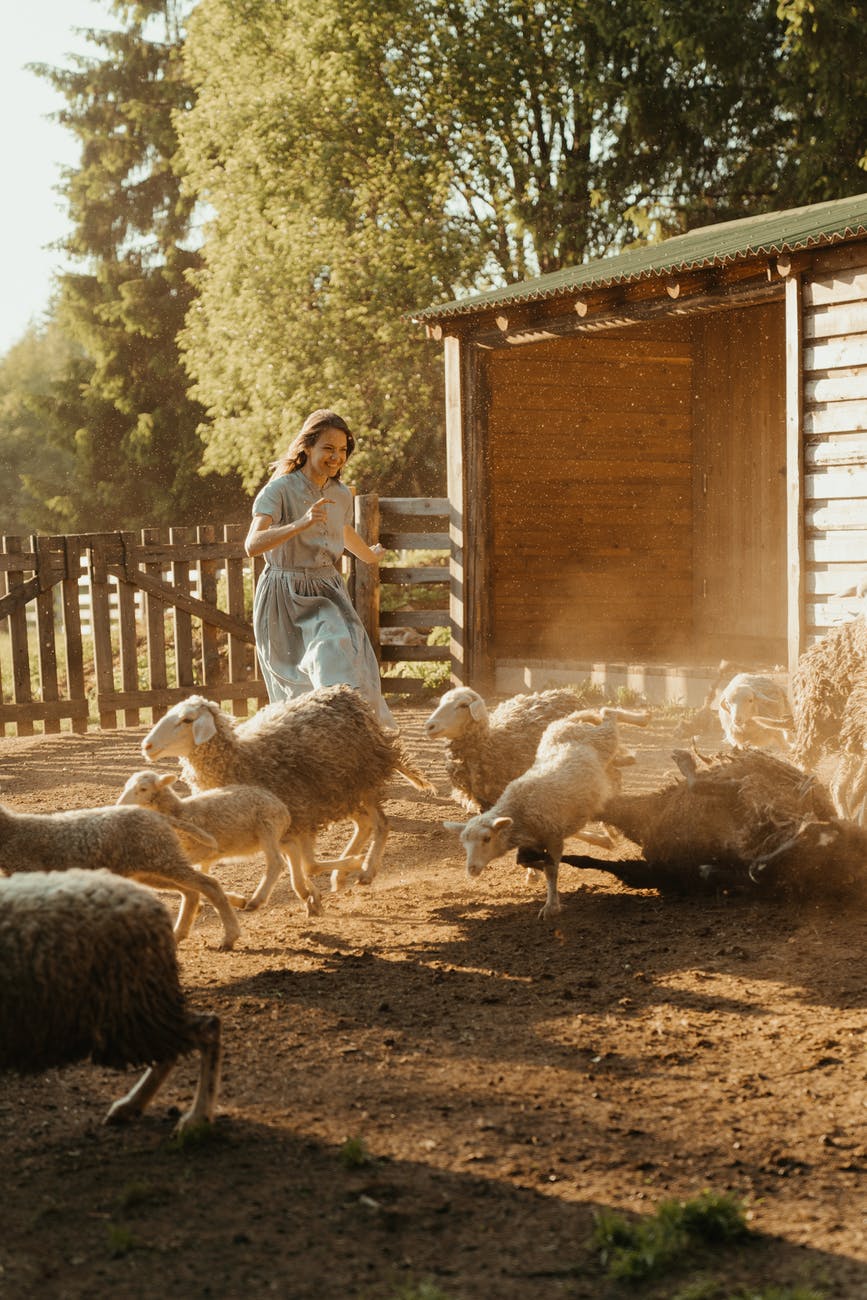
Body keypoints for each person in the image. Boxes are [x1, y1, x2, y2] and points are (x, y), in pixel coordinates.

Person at [244, 409, 396, 728]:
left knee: (342, 652)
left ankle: (360, 733)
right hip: (284, 593)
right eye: (328, 448)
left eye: (342, 450)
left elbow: (341, 529)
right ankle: (317, 746)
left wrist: (368, 555)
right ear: (307, 448)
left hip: (327, 589)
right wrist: (301, 523)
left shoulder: (341, 493)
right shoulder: (279, 489)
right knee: (296, 688)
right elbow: (252, 544)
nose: (336, 457)